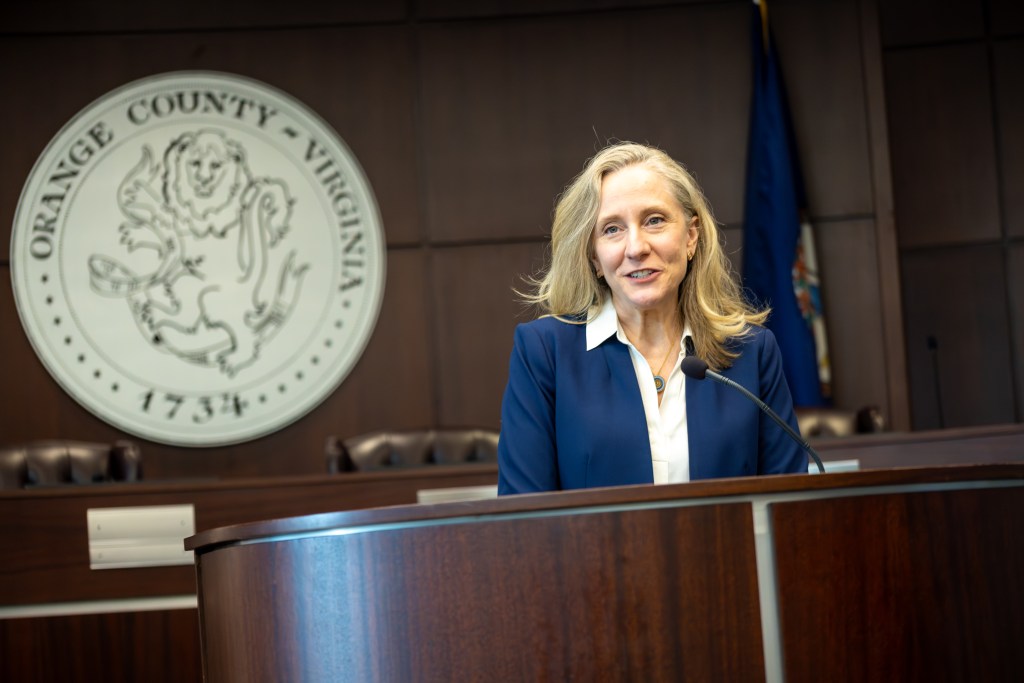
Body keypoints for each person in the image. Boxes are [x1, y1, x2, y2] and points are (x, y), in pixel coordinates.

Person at [497, 142, 807, 494]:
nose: (636, 248)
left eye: (654, 221)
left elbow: (789, 502)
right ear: (594, 257)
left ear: (691, 237)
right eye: (612, 229)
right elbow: (522, 513)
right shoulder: (545, 353)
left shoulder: (752, 352)